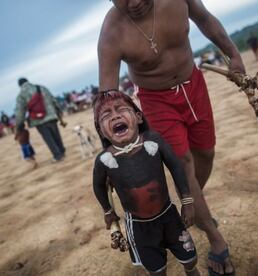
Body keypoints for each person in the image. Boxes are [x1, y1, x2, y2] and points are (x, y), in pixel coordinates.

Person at [98, 1, 244, 275]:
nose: (133, 2)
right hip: (156, 101)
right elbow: (106, 99)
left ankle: (192, 203)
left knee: (205, 154)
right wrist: (108, 155)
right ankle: (215, 239)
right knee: (183, 162)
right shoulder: (111, 33)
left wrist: (233, 53)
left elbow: (205, 18)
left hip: (195, 85)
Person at [93, 91, 199, 276]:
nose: (116, 115)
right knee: (156, 271)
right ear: (101, 131)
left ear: (138, 117)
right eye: (106, 115)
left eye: (121, 109)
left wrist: (187, 201)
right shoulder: (104, 160)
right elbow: (98, 186)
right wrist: (108, 211)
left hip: (169, 216)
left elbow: (175, 166)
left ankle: (191, 271)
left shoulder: (153, 140)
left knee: (190, 258)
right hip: (138, 227)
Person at [15, 78, 66, 162]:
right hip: (52, 115)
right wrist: (58, 111)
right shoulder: (41, 88)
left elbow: (20, 111)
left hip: (38, 120)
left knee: (48, 138)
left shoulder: (21, 95)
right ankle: (62, 151)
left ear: (20, 85)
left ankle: (58, 155)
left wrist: (19, 124)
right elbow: (53, 100)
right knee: (56, 133)